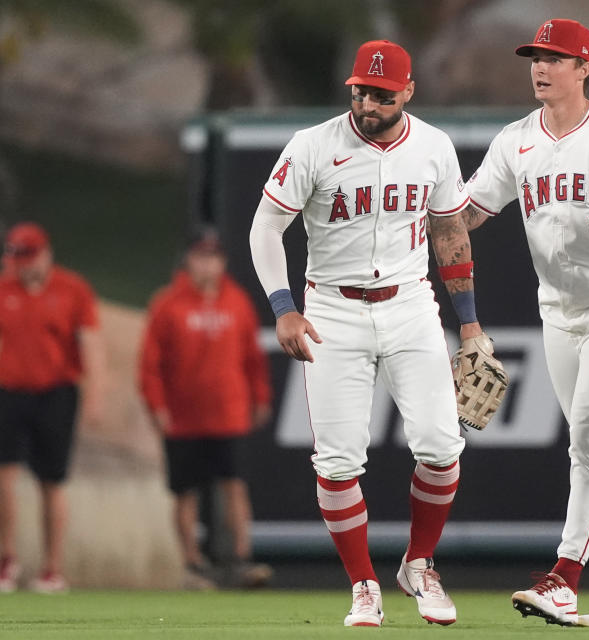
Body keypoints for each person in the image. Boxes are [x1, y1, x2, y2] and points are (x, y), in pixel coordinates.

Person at [249, 40, 491, 627]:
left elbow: (451, 237)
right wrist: (283, 306)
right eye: (361, 89)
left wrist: (471, 324)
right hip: (332, 310)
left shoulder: (432, 146)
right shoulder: (313, 145)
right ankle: (363, 585)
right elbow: (265, 229)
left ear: (408, 92)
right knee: (336, 463)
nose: (368, 102)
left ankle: (420, 564)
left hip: (410, 304)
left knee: (441, 446)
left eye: (382, 94)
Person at [462, 19, 589, 628]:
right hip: (557, 311)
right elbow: (468, 212)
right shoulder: (515, 140)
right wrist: (419, 218)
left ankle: (566, 576)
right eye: (535, 57)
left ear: (583, 69)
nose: (540, 67)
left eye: (554, 57)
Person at [139, 229, 274, 590]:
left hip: (227, 412)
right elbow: (150, 364)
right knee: (185, 492)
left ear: (223, 262)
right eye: (200, 257)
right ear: (188, 261)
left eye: (213, 257)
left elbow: (252, 357)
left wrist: (259, 396)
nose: (207, 264)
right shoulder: (168, 303)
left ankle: (241, 559)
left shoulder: (237, 301)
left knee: (234, 486)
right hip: (183, 417)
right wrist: (157, 406)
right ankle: (193, 564)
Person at [0, 222, 105, 593]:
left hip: (57, 393)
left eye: (26, 257)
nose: (20, 266)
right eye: (15, 258)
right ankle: (6, 560)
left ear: (44, 254)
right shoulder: (3, 288)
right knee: (4, 478)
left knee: (53, 482)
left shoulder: (72, 289)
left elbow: (90, 342)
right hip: (8, 391)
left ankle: (52, 568)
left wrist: (94, 395)